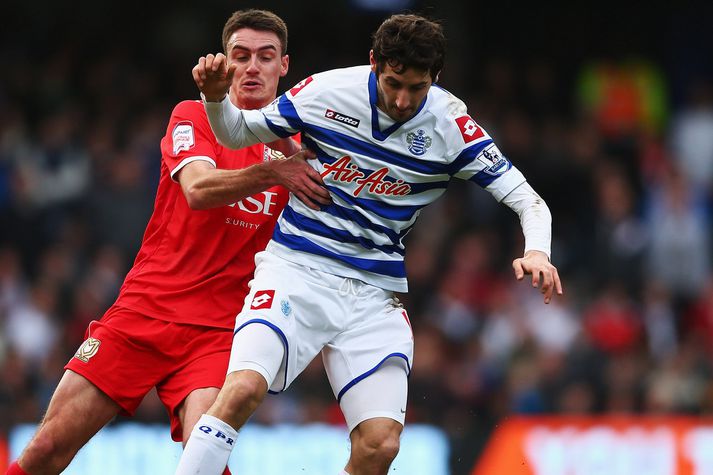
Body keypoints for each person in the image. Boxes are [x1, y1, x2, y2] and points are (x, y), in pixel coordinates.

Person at [177, 13, 562, 475]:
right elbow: (236, 132)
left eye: (416, 88)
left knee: (380, 446)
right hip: (296, 269)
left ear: (435, 79)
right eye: (393, 82)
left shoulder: (452, 125)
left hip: (373, 294)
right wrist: (216, 99)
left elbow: (529, 202)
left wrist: (537, 249)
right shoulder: (325, 92)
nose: (402, 100)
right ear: (374, 63)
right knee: (241, 389)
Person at [5, 9, 330, 475]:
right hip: (146, 311)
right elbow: (198, 189)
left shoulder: (302, 145)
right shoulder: (193, 114)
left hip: (219, 330)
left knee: (206, 462)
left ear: (284, 66)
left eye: (266, 56)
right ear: (226, 63)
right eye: (241, 56)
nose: (253, 67)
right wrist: (272, 171)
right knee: (46, 451)